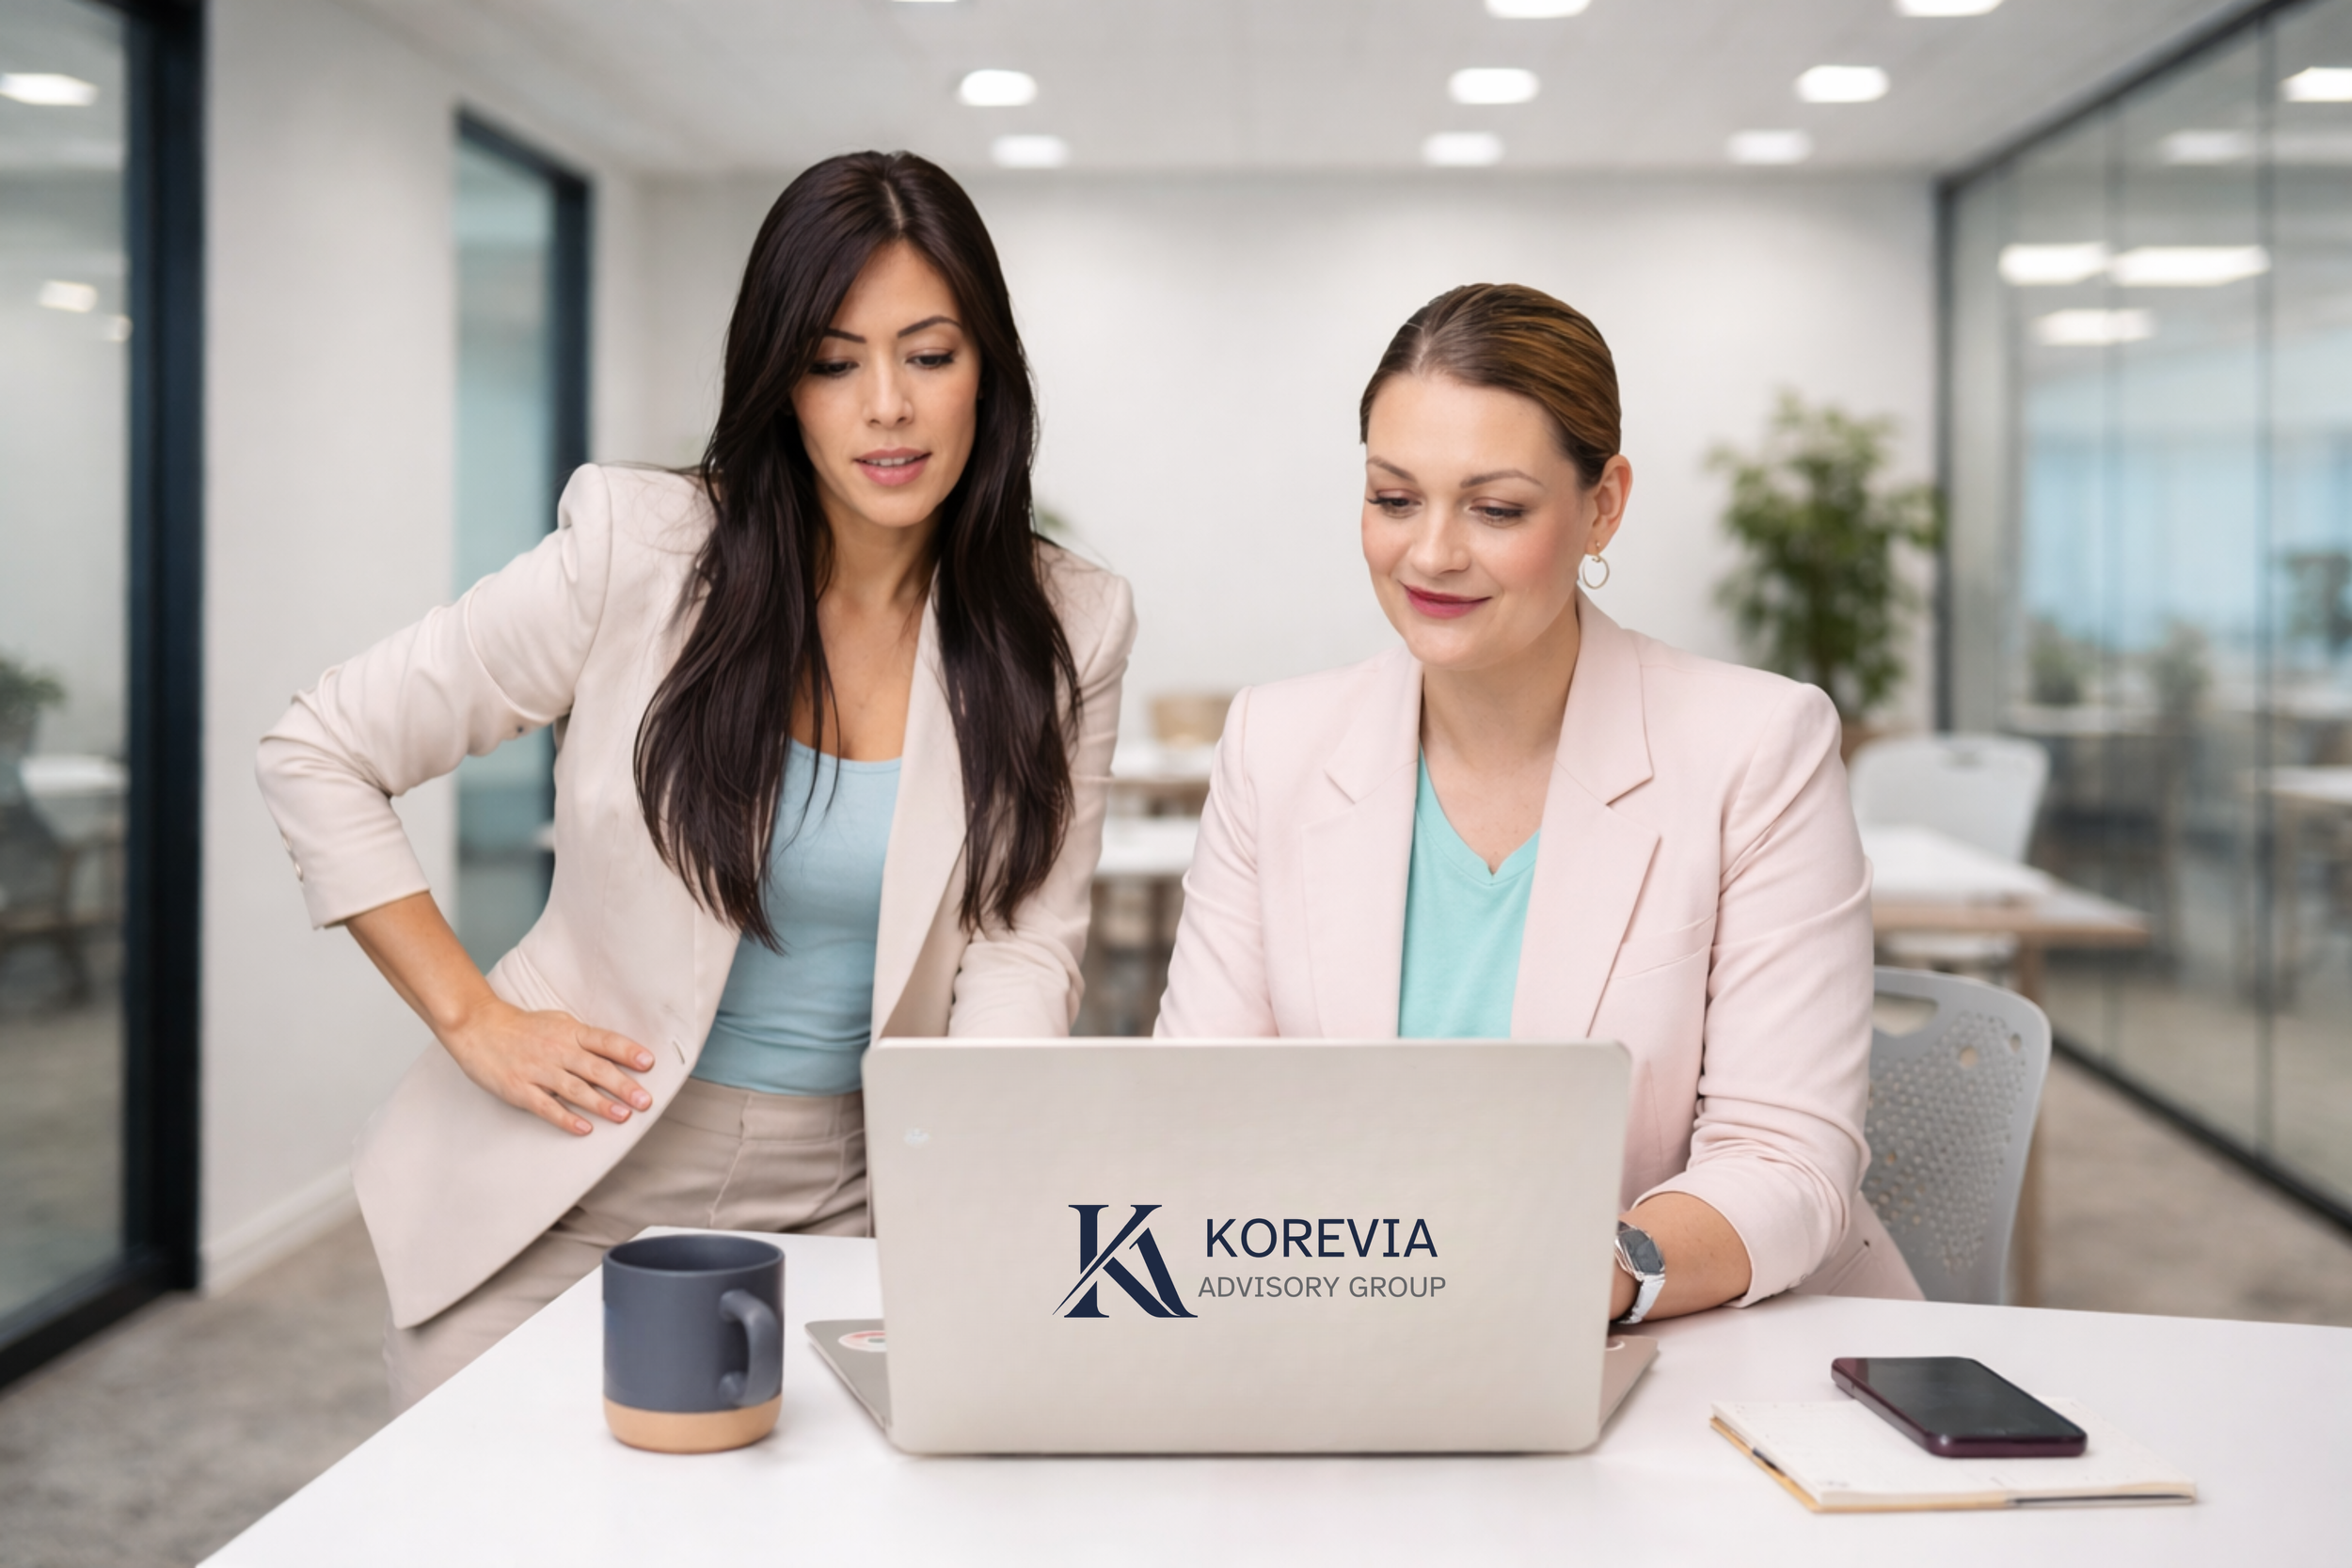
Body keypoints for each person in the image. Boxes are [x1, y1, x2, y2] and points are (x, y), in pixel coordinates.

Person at [258, 151, 1136, 1408]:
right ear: (782, 384)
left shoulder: (1069, 621)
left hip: (850, 1204)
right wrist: (471, 1015)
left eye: (929, 354)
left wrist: (980, 1186)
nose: (887, 403)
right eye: (835, 360)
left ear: (989, 368)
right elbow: (320, 746)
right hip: (557, 1187)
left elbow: (1021, 943)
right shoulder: (642, 552)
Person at [1155, 283, 1918, 1322]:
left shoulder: (1757, 746)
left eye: (1496, 507)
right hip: (1351, 1332)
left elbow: (1784, 1157)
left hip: (1673, 1343)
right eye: (1393, 498)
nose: (1430, 553)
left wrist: (1573, 1272)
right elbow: (1198, 1109)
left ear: (1602, 503)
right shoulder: (1275, 744)